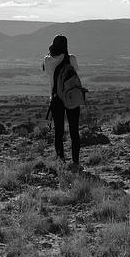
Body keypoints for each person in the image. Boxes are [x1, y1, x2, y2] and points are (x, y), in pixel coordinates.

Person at [42, 35, 80, 169]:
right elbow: (76, 73)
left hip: (56, 99)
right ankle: (76, 162)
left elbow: (47, 74)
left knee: (58, 132)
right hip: (71, 97)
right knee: (74, 131)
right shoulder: (72, 58)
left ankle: (61, 161)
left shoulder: (47, 60)